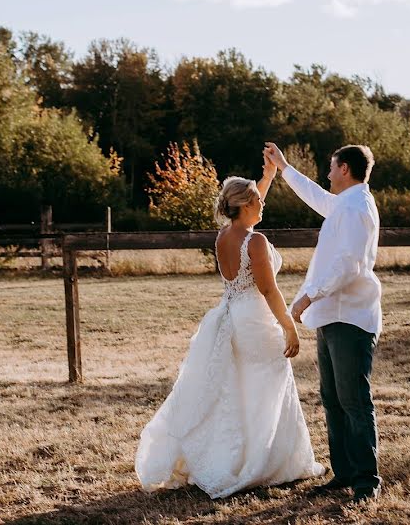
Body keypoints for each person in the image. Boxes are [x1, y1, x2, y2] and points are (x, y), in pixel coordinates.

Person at [135, 153, 324, 499]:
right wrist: (289, 327)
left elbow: (250, 215)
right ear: (244, 205)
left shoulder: (225, 235)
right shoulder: (256, 242)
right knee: (267, 387)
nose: (262, 204)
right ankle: (265, 462)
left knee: (240, 389)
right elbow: (268, 289)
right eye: (257, 200)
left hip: (233, 314)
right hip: (257, 319)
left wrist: (266, 177)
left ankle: (234, 456)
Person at [264, 142, 383, 504]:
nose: (328, 174)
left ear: (345, 169)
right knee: (332, 399)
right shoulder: (344, 204)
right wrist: (284, 168)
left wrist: (308, 295)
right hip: (332, 316)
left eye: (331, 168)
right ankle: (344, 472)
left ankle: (366, 480)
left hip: (350, 316)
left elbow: (350, 266)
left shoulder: (356, 208)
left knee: (354, 402)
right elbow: (316, 196)